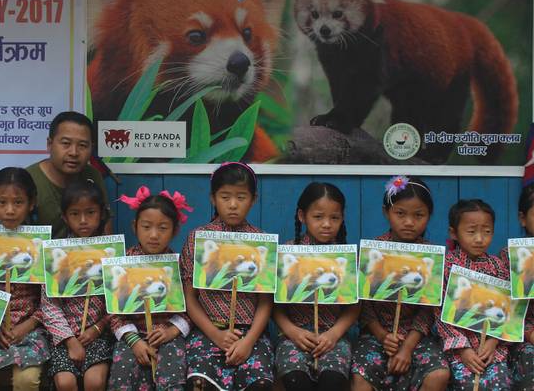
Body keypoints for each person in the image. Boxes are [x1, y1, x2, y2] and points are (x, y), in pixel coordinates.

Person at [181, 162, 274, 390]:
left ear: (253, 199)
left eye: (241, 197)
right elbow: (189, 297)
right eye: (225, 197)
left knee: (259, 384)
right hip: (207, 330)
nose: (233, 205)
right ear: (213, 198)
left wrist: (248, 341)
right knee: (202, 383)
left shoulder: (260, 241)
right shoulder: (199, 239)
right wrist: (215, 334)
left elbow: (265, 301)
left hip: (250, 333)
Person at [351, 176, 449, 391]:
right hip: (376, 335)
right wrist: (382, 336)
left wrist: (407, 347)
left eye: (418, 215)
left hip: (416, 337)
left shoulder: (430, 255)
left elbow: (428, 309)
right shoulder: (374, 252)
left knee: (439, 374)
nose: (409, 222)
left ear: (429, 216)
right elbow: (363, 304)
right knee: (360, 379)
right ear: (387, 212)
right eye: (400, 214)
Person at [0, 168, 50, 391]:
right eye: (2, 203)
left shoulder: (40, 245)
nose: (10, 210)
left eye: (18, 202)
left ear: (31, 204)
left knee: (27, 380)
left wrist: (29, 324)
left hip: (30, 331)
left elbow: (50, 299)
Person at [274, 182, 359, 391]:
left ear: (342, 218)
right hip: (294, 336)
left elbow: (355, 305)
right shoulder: (288, 253)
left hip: (333, 336)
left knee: (332, 381)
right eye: (318, 217)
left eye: (334, 218)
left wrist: (334, 334)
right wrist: (291, 331)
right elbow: (273, 303)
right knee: (296, 380)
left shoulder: (346, 257)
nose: (327, 224)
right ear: (302, 216)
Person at [108, 186, 192, 391]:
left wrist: (172, 331)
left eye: (163, 228)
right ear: (135, 226)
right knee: (123, 376)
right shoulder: (122, 264)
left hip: (167, 336)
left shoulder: (179, 265)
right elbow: (112, 311)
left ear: (175, 230)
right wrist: (135, 341)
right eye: (146, 227)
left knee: (172, 379)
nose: (154, 235)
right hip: (132, 336)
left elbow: (191, 308)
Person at [41, 180, 113, 391]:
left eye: (90, 212)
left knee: (95, 381)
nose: (83, 221)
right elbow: (48, 305)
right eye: (75, 214)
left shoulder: (111, 253)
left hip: (98, 335)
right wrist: (69, 340)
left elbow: (119, 301)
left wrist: (97, 328)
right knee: (65, 382)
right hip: (64, 338)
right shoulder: (57, 255)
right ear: (65, 217)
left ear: (101, 214)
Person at [436, 199, 511, 390]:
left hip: (491, 349)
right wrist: (464, 349)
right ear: (454, 233)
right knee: (466, 384)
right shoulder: (446, 267)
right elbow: (440, 313)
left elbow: (508, 308)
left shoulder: (498, 267)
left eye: (487, 232)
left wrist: (494, 341)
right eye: (471, 232)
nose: (479, 238)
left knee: (500, 383)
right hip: (459, 350)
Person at [27, 111, 111, 238]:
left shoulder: (93, 175)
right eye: (66, 143)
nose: (74, 152)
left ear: (91, 149)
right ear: (49, 145)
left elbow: (106, 232)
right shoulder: (28, 180)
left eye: (82, 145)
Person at [498, 183, 534, 391]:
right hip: (524, 339)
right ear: (522, 218)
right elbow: (504, 309)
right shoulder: (508, 258)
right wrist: (529, 333)